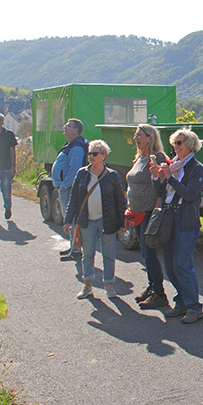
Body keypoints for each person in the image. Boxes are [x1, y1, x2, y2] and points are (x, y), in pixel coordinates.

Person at [156, 129, 203, 324]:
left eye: (179, 143)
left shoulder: (196, 168)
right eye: (174, 143)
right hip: (168, 216)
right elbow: (159, 192)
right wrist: (157, 177)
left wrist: (169, 178)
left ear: (191, 145)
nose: (175, 147)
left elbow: (189, 194)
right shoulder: (173, 166)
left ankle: (194, 307)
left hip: (185, 220)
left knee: (183, 264)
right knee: (169, 264)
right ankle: (181, 302)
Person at [64, 140, 125, 300]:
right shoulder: (82, 173)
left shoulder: (112, 175)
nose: (91, 156)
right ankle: (87, 286)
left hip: (107, 221)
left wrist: (123, 223)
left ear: (103, 156)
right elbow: (74, 199)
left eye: (95, 153)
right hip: (87, 221)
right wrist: (68, 220)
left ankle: (109, 285)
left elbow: (120, 200)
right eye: (90, 153)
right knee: (88, 254)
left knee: (109, 254)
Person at [126, 123, 170, 310]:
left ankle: (159, 294)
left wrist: (158, 206)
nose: (136, 138)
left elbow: (163, 182)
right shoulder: (140, 158)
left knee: (149, 253)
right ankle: (153, 287)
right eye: (136, 136)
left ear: (149, 138)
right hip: (137, 212)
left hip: (149, 212)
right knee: (145, 253)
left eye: (139, 135)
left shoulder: (157, 157)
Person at [53, 118, 89, 261]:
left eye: (68, 126)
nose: (65, 128)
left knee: (71, 219)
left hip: (69, 188)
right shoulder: (71, 144)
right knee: (69, 219)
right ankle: (73, 246)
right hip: (66, 187)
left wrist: (65, 185)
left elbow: (75, 169)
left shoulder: (77, 146)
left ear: (76, 130)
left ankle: (76, 249)